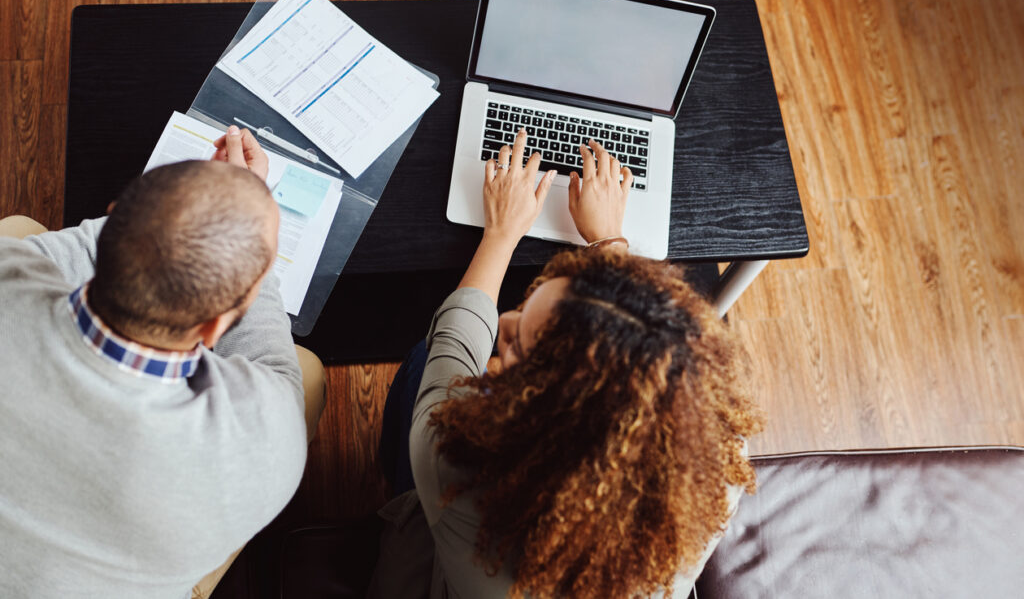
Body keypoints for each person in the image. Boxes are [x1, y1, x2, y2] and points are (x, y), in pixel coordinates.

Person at [371, 129, 763, 598]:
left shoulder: (454, 466)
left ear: (553, 421)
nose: (504, 319)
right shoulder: (717, 462)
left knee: (421, 362)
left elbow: (454, 343)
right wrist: (610, 243)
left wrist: (500, 234)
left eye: (517, 344)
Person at [0, 127, 325, 599]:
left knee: (17, 227)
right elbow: (274, 366)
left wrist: (177, 216)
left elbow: (53, 253)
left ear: (112, 217)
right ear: (217, 327)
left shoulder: (10, 276)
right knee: (307, 371)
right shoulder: (260, 437)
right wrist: (247, 253)